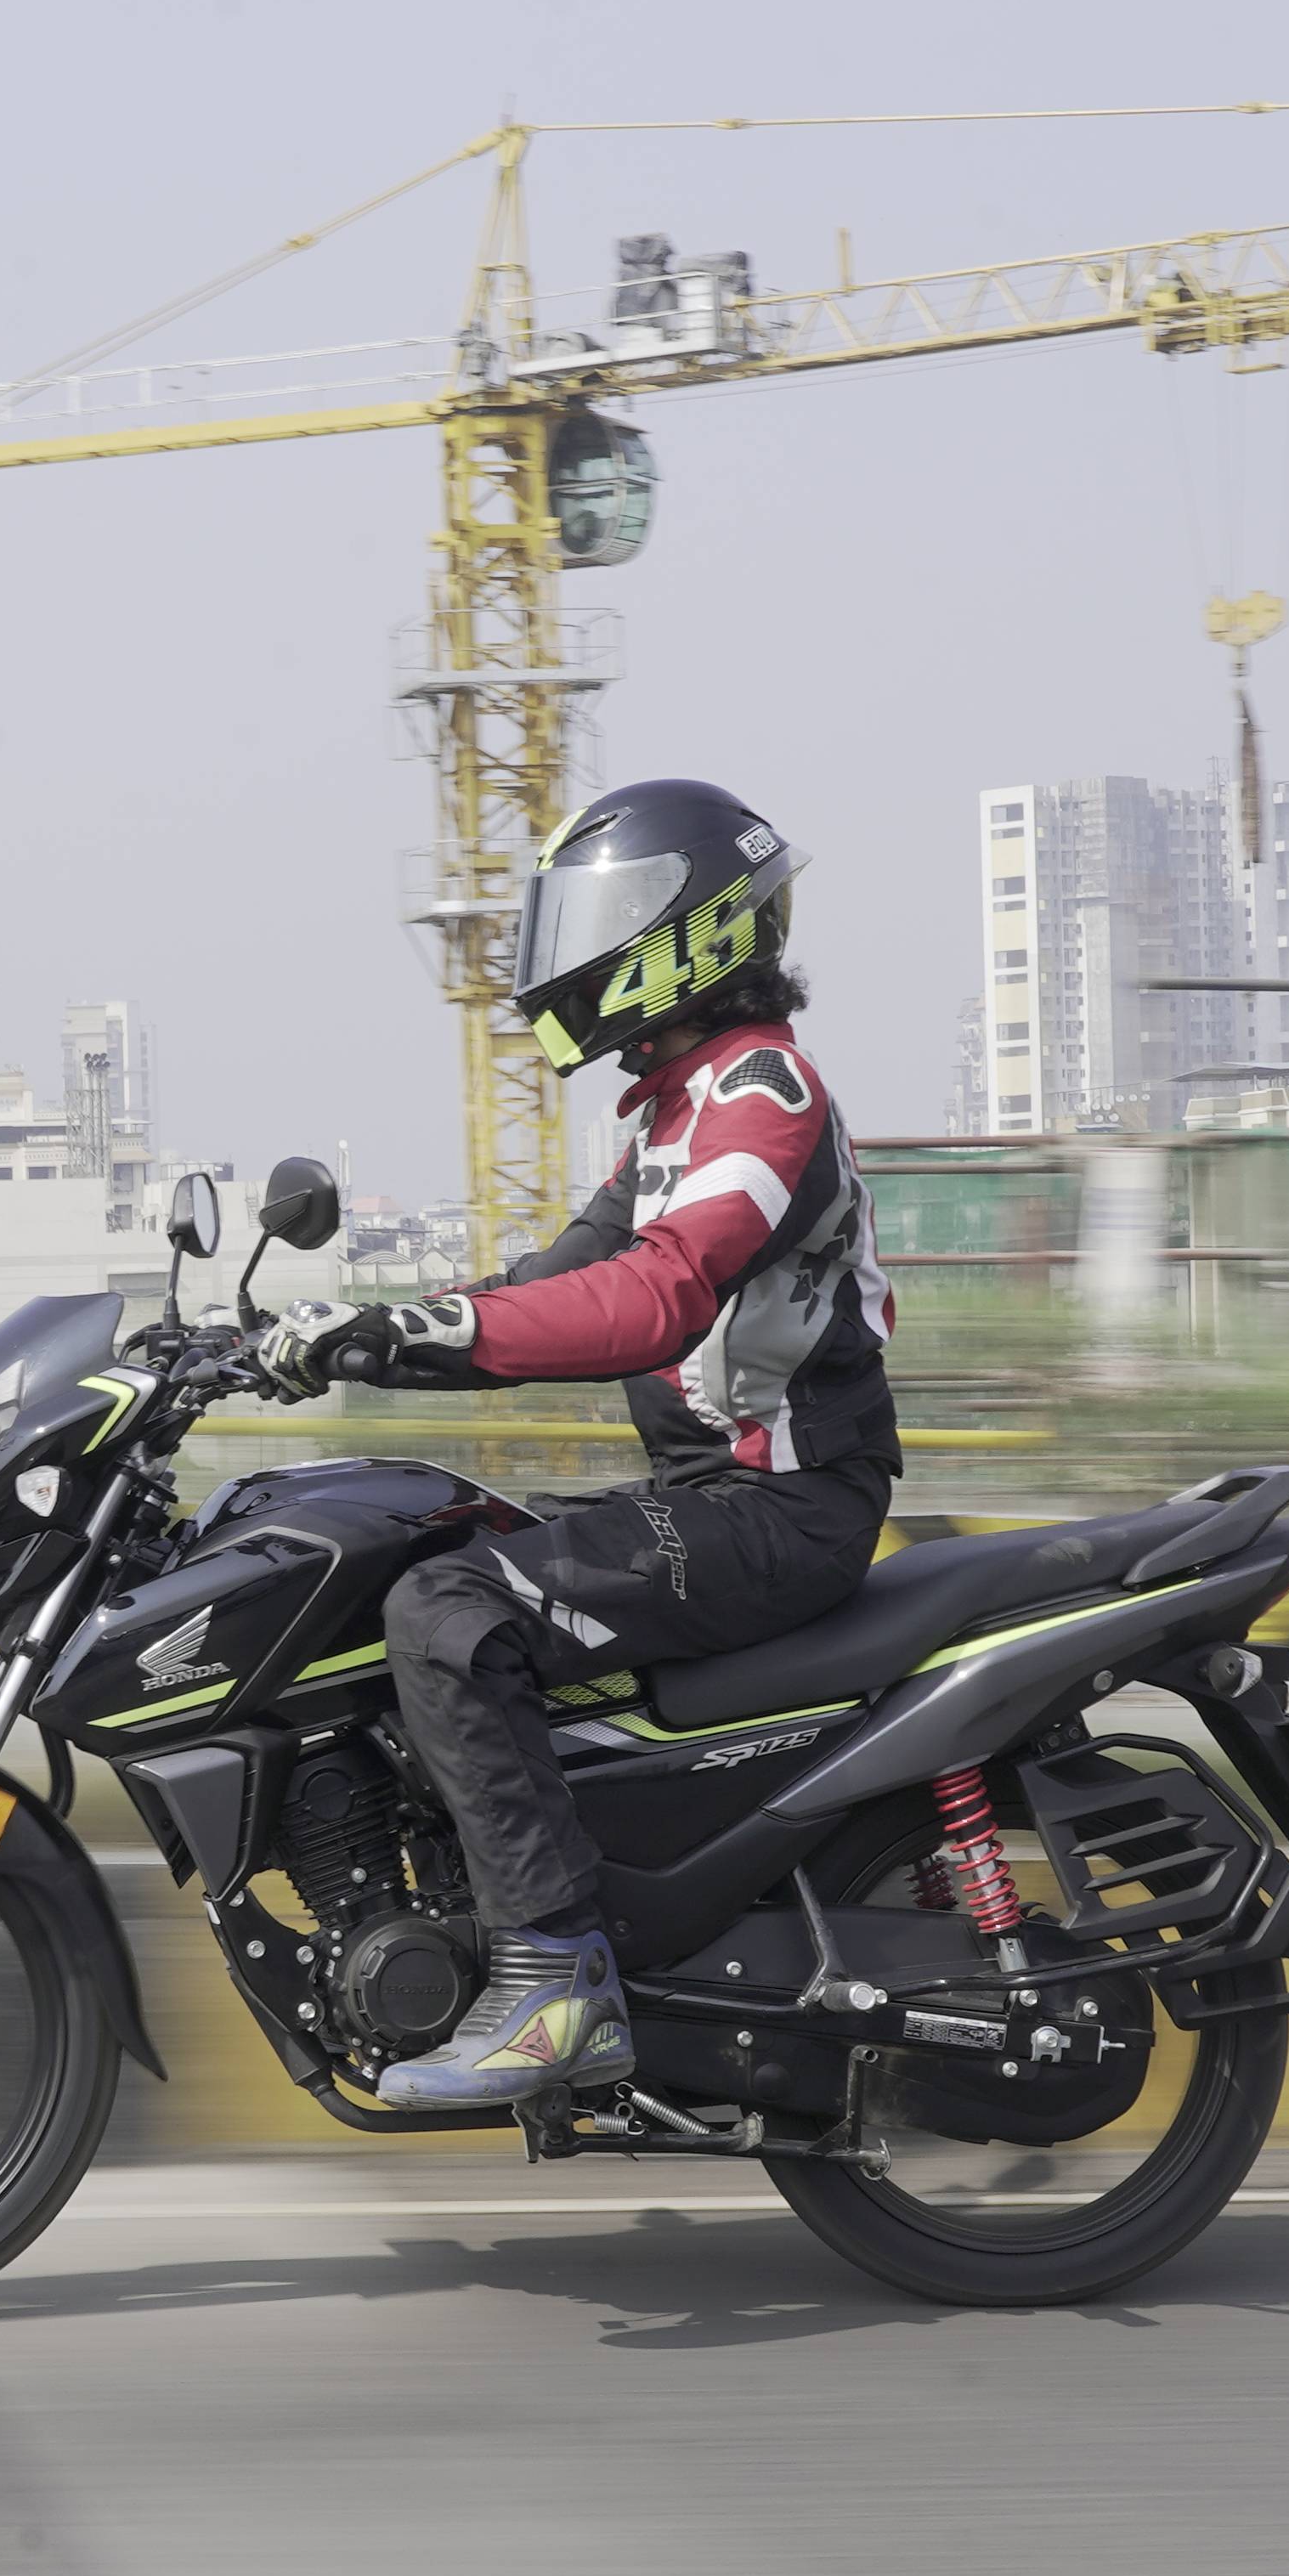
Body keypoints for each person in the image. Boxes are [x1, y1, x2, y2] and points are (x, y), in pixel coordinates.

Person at [251, 778, 900, 2110]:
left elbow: (654, 1296)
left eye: (595, 918)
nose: (569, 952)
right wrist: (359, 1337)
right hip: (717, 1492)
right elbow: (554, 1280)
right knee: (422, 1543)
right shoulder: (675, 1114)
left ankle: (552, 1979)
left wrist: (402, 1334)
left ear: (687, 929)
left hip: (784, 1508)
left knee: (445, 1612)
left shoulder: (761, 1093)